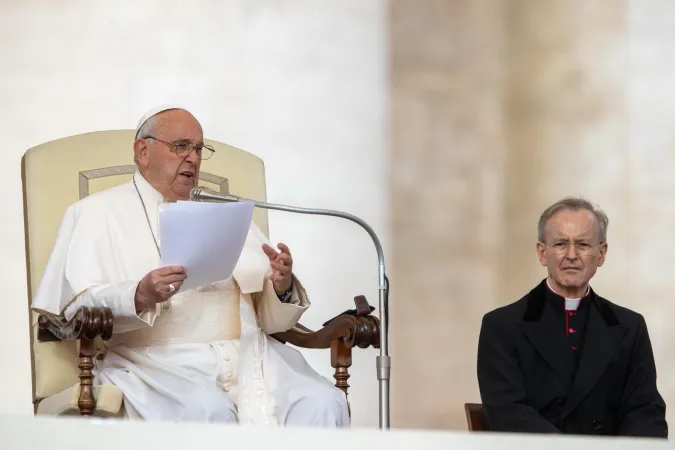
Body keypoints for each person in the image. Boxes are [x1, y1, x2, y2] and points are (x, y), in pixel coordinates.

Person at [31, 105, 350, 427]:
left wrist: (281, 286)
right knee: (205, 411)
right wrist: (139, 294)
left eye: (198, 149)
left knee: (322, 402)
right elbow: (75, 306)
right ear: (143, 151)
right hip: (154, 360)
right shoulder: (96, 212)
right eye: (180, 146)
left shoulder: (224, 210)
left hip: (252, 356)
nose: (194, 158)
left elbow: (263, 316)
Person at [476, 197, 667, 437]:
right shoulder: (502, 327)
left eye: (583, 244)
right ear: (542, 252)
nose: (572, 255)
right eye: (560, 244)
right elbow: (508, 413)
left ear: (602, 253)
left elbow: (644, 411)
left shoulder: (629, 326)